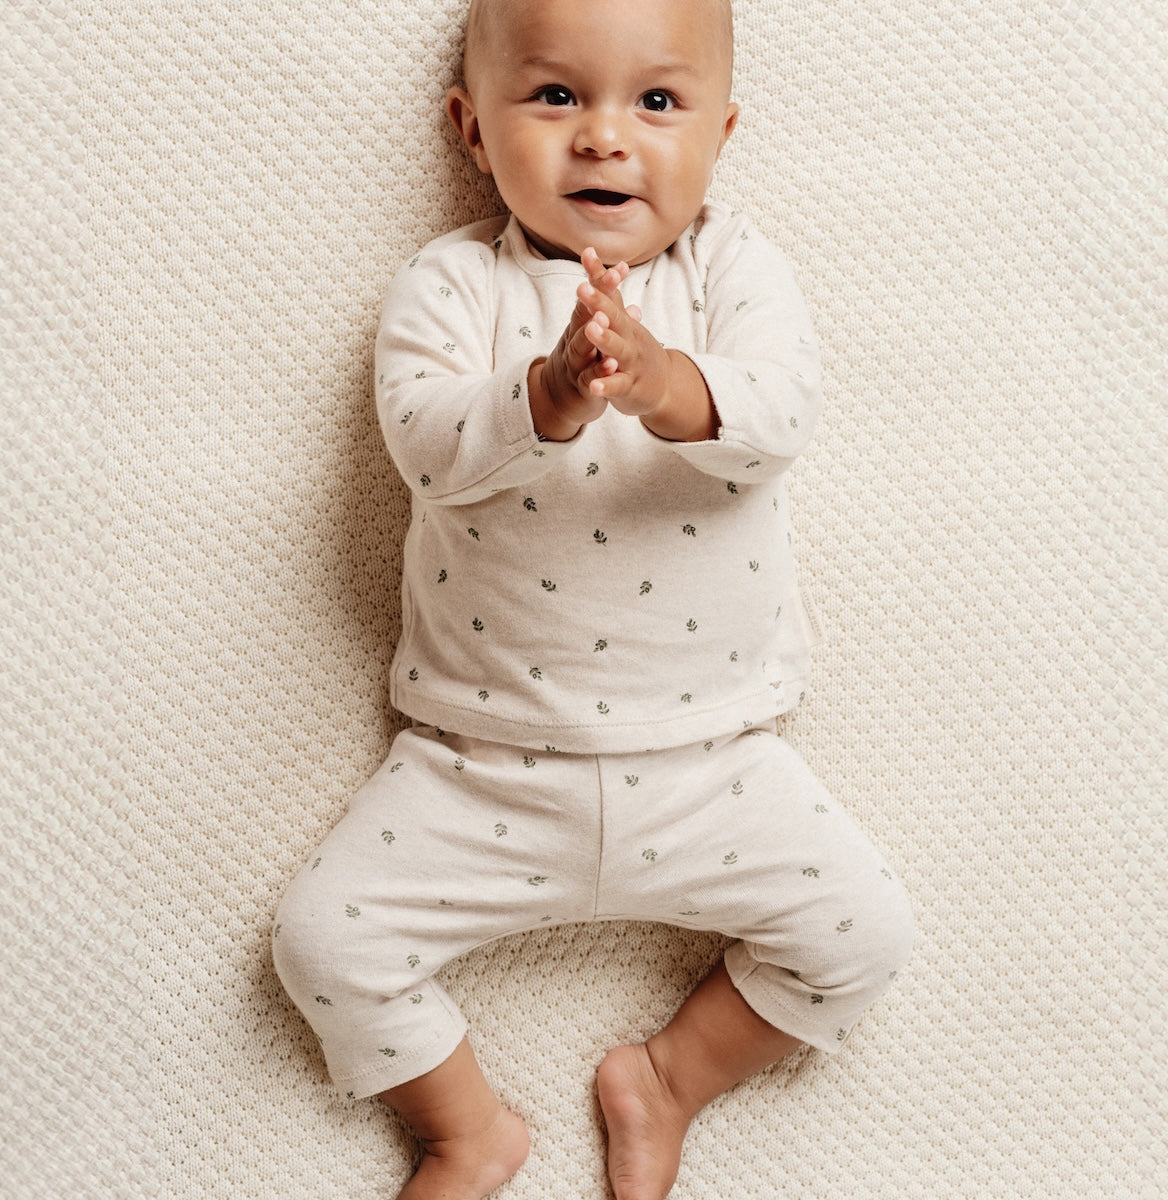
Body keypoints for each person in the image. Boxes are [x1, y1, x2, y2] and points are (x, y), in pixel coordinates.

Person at [272, 0, 914, 1196]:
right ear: (471, 128)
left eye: (657, 103)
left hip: (713, 761)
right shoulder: (451, 286)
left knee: (866, 940)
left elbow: (776, 419)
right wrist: (546, 395)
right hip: (481, 760)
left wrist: (666, 380)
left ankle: (671, 1077)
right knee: (323, 945)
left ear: (722, 131)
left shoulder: (732, 271)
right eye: (556, 96)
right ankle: (469, 1129)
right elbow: (424, 441)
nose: (605, 138)